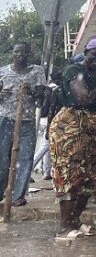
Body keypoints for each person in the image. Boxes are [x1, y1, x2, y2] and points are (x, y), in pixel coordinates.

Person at [50, 38, 96, 233]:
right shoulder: (74, 70)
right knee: (70, 173)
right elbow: (83, 98)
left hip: (93, 130)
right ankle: (64, 224)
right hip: (71, 126)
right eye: (95, 54)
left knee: (93, 174)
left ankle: (74, 220)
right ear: (86, 52)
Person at [0, 43, 47, 206]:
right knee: (2, 158)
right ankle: (1, 193)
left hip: (27, 120)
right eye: (16, 52)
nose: (20, 55)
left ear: (29, 54)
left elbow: (41, 98)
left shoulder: (37, 71)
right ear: (12, 54)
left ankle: (18, 195)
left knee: (25, 158)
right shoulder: (3, 71)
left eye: (24, 52)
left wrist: (31, 92)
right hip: (4, 119)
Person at [33, 68, 63, 181]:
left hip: (42, 118)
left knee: (46, 146)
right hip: (51, 120)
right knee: (46, 146)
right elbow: (53, 107)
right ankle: (32, 166)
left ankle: (46, 171)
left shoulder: (47, 88)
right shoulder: (57, 89)